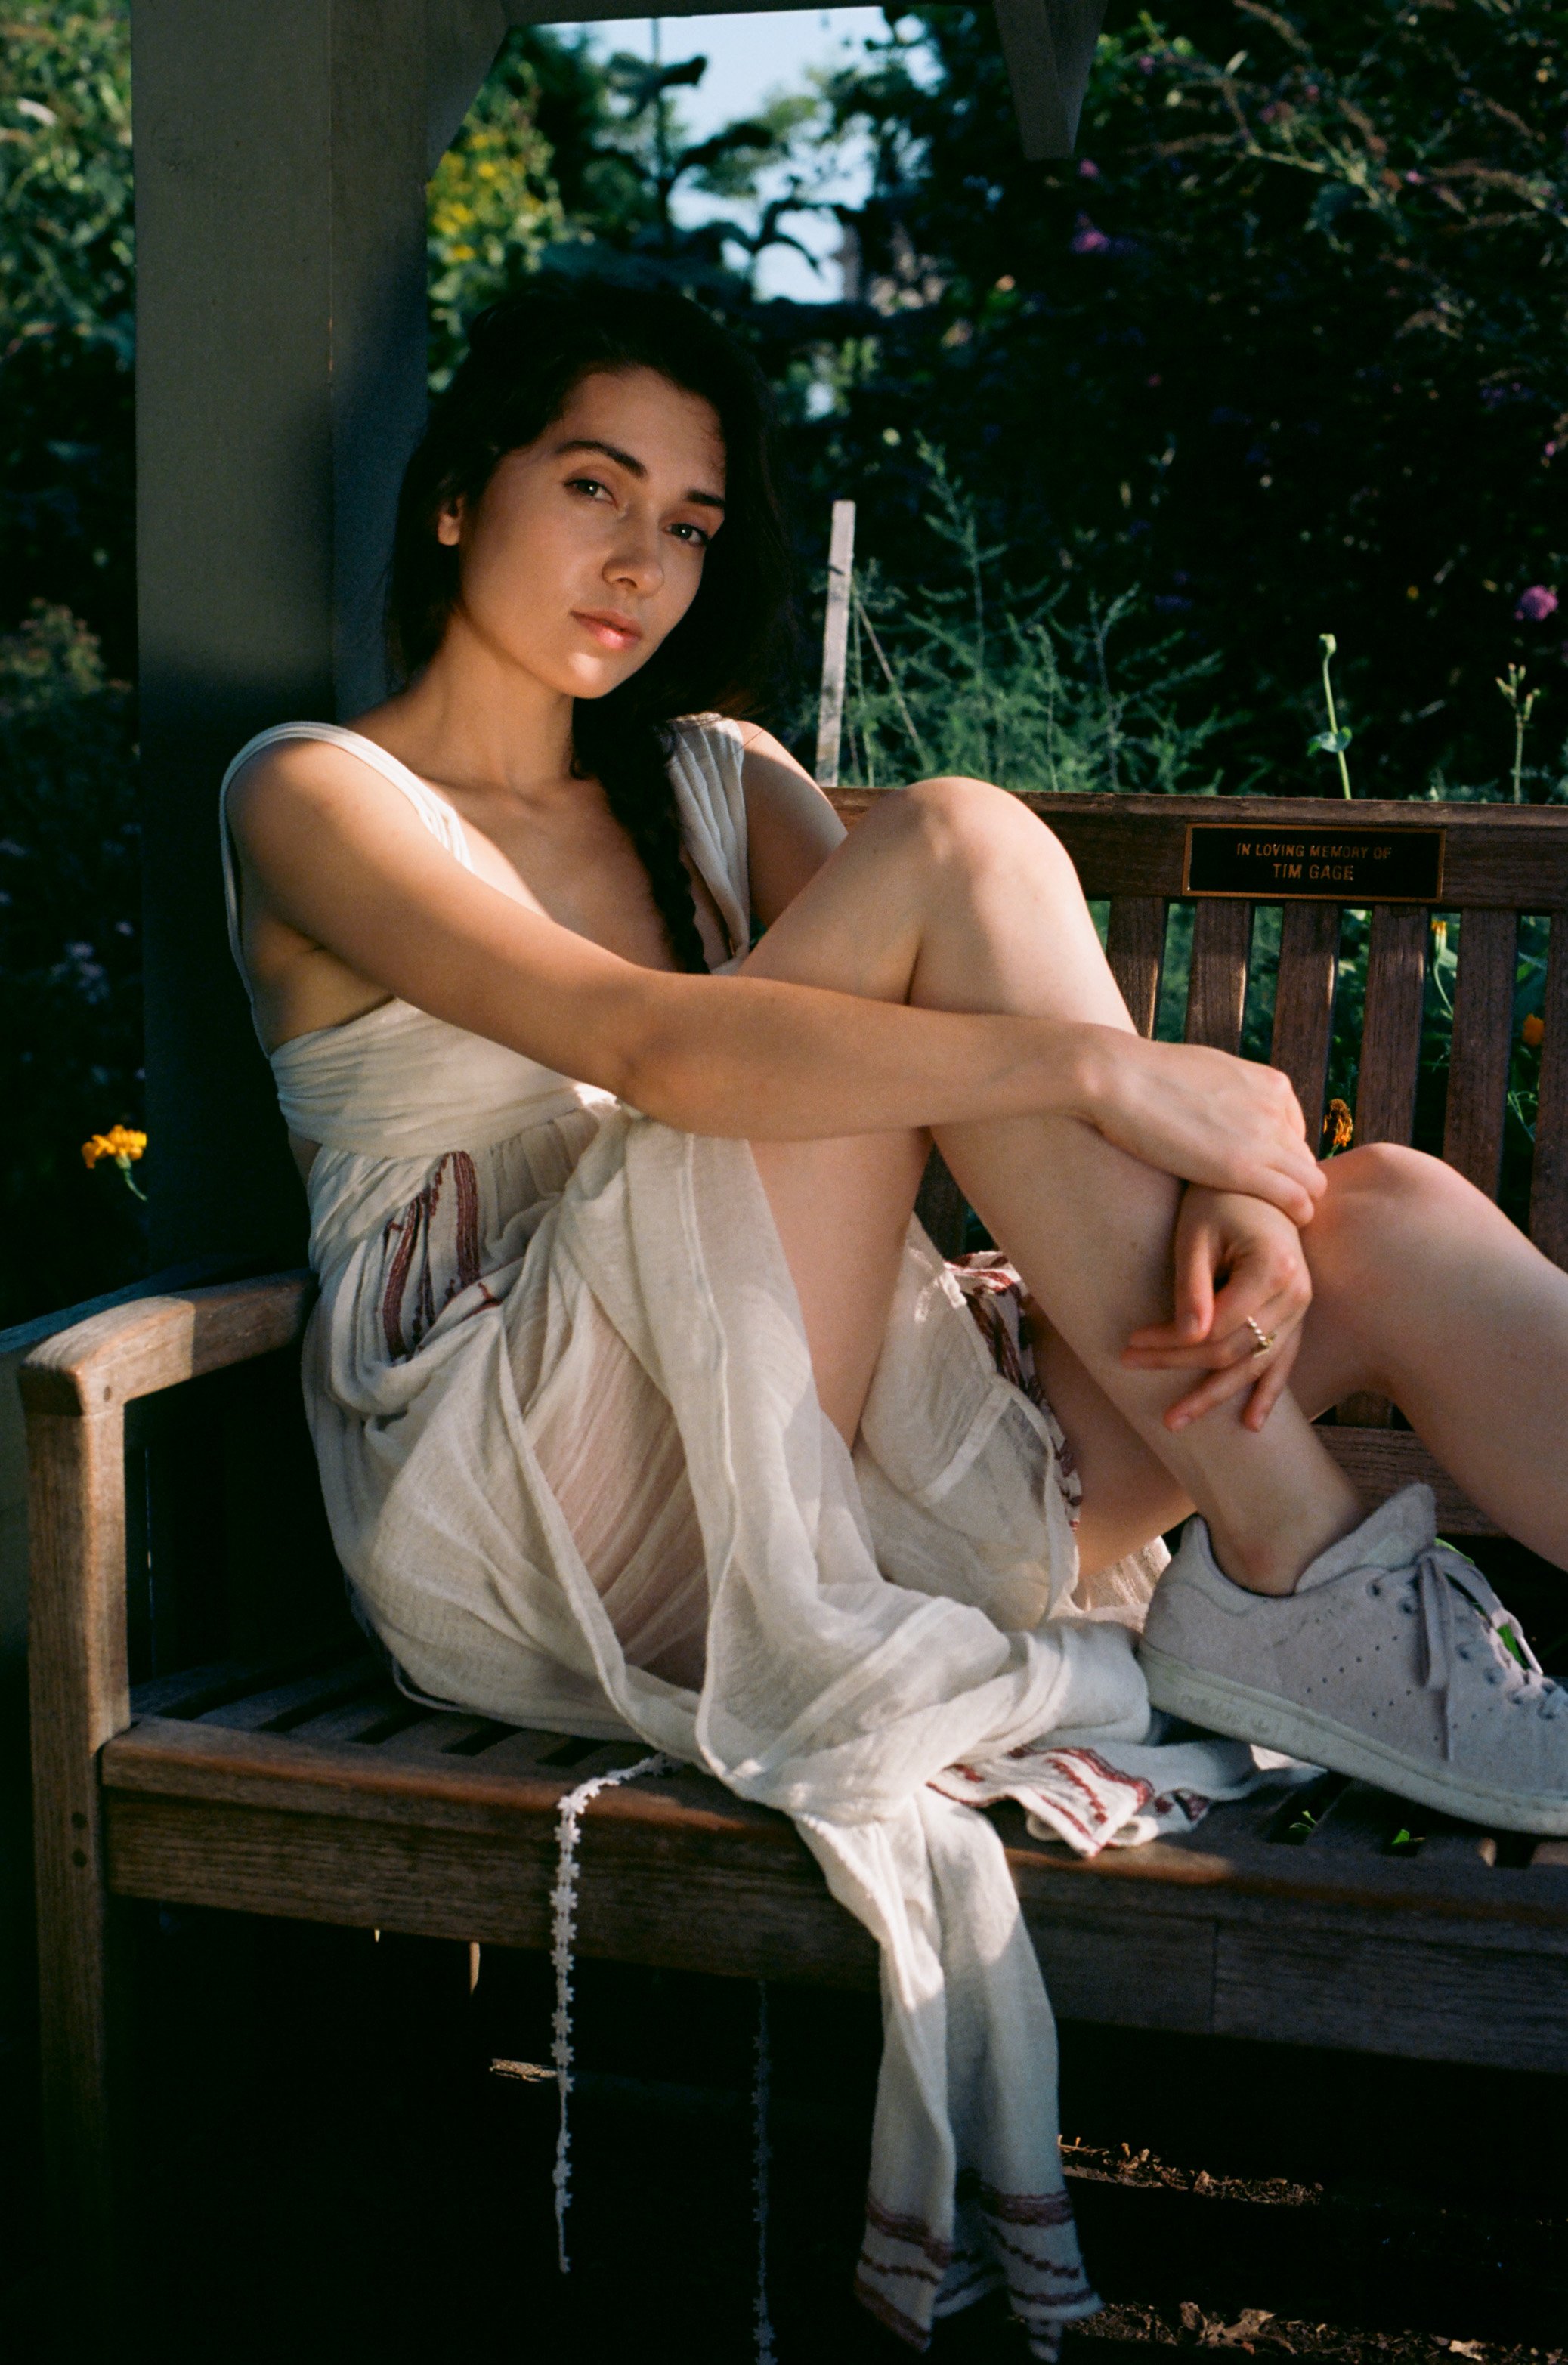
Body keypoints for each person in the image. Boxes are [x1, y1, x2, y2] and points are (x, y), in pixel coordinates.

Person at [220, 283, 1567, 2355]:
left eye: (683, 519)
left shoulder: (707, 777)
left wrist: (1234, 1189)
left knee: (1376, 1213)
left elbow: (976, 1004)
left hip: (802, 1425)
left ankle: (1284, 1559)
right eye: (590, 486)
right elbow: (649, 1045)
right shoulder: (311, 793)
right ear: (455, 493)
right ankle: (1295, 1565)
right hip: (524, 1488)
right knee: (947, 832)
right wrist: (1114, 1085)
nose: (637, 560)